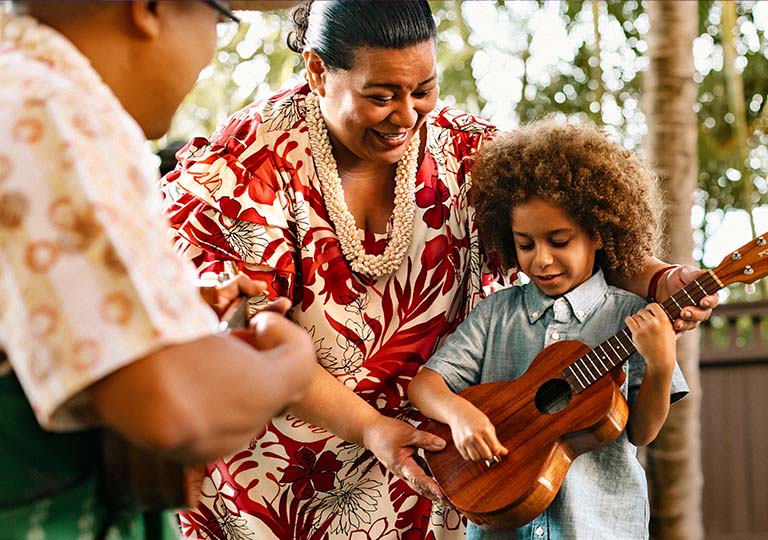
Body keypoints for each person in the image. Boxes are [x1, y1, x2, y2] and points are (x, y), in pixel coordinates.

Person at [159, 1, 716, 538]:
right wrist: (373, 426)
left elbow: (571, 231)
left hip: (447, 474)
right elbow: (245, 331)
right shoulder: (243, 170)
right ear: (317, 70)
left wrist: (660, 279)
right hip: (278, 487)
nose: (406, 116)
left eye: (423, 89)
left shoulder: (469, 150)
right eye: (381, 95)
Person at [0, 2, 318, 538]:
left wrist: (166, 305)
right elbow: (172, 408)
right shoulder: (45, 106)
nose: (210, 53)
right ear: (150, 8)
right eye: (220, 21)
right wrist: (291, 362)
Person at [408, 119, 688, 540]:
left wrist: (662, 363)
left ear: (598, 234)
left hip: (597, 526)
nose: (541, 260)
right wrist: (459, 413)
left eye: (559, 241)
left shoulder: (632, 316)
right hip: (502, 524)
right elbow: (425, 385)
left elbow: (642, 433)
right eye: (526, 244)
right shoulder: (496, 315)